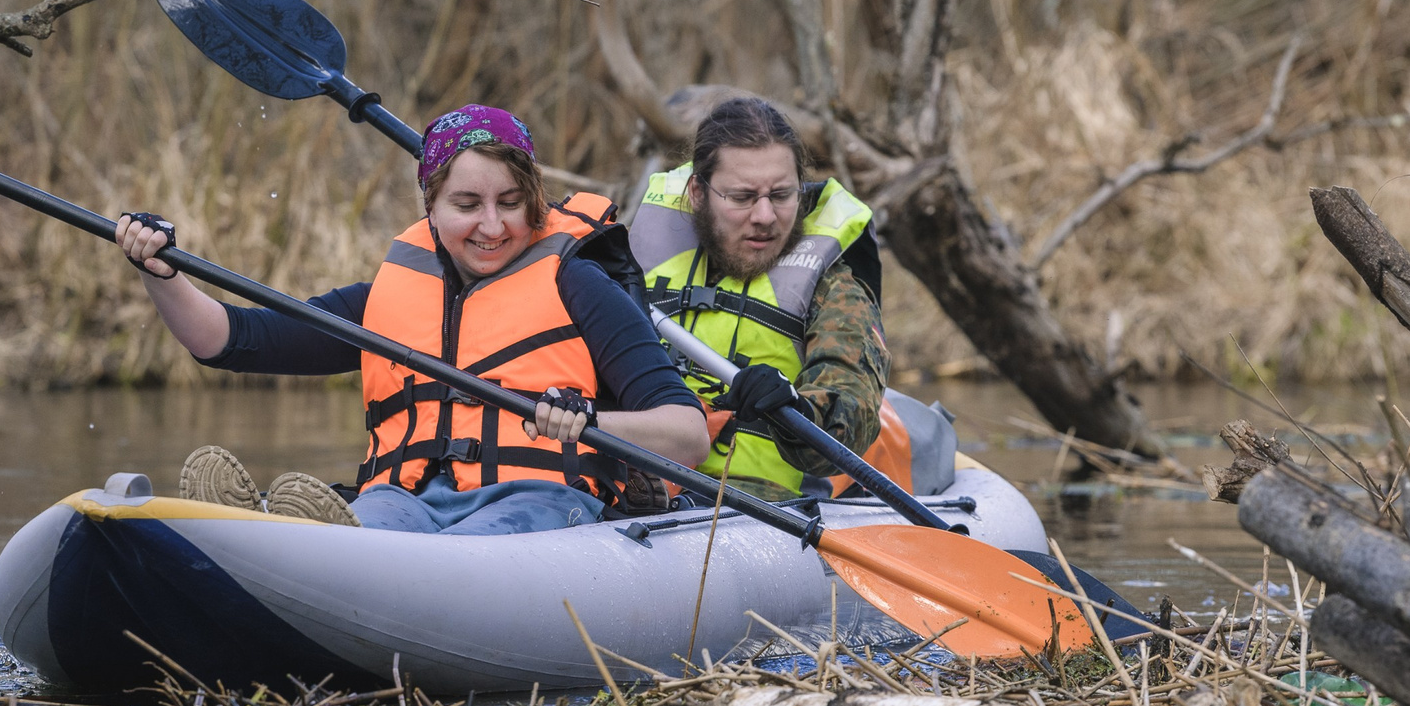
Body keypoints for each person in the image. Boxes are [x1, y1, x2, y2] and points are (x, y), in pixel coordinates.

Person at [113, 104, 709, 534]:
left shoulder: (580, 284)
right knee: (371, 522)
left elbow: (687, 434)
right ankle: (281, 544)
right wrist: (160, 271)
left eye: (510, 204)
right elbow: (227, 339)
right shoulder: (388, 299)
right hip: (409, 499)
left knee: (460, 554)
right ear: (430, 207)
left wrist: (589, 420)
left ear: (534, 202)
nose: (493, 227)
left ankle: (309, 551)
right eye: (467, 205)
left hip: (541, 503)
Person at [625, 95, 889, 501]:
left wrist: (795, 410)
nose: (765, 216)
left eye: (781, 195)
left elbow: (849, 413)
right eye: (743, 197)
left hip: (755, 508)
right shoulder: (633, 261)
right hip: (627, 485)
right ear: (698, 193)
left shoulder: (836, 286)